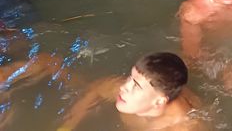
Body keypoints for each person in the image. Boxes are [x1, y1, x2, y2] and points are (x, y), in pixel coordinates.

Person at [58, 52, 211, 131]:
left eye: (136, 85)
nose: (124, 86)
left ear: (158, 101)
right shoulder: (125, 92)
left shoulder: (184, 127)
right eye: (130, 77)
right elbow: (94, 90)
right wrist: (66, 127)